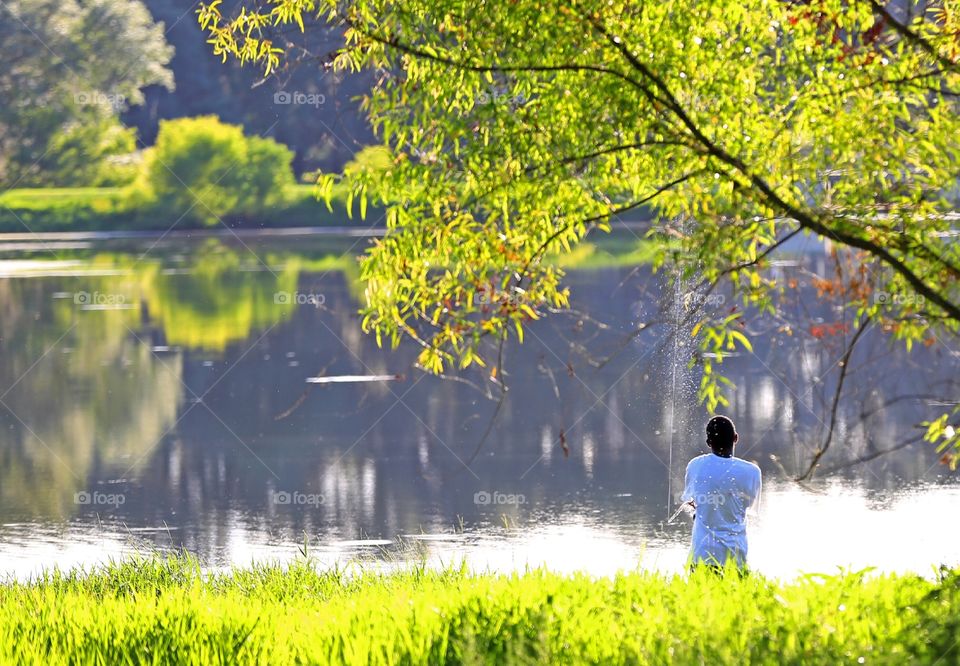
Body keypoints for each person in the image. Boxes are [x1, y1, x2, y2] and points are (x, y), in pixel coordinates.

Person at [680, 415, 761, 572]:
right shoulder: (752, 472)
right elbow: (748, 507)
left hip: (702, 556)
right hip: (735, 558)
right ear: (735, 438)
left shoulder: (695, 465)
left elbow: (691, 502)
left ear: (708, 443)